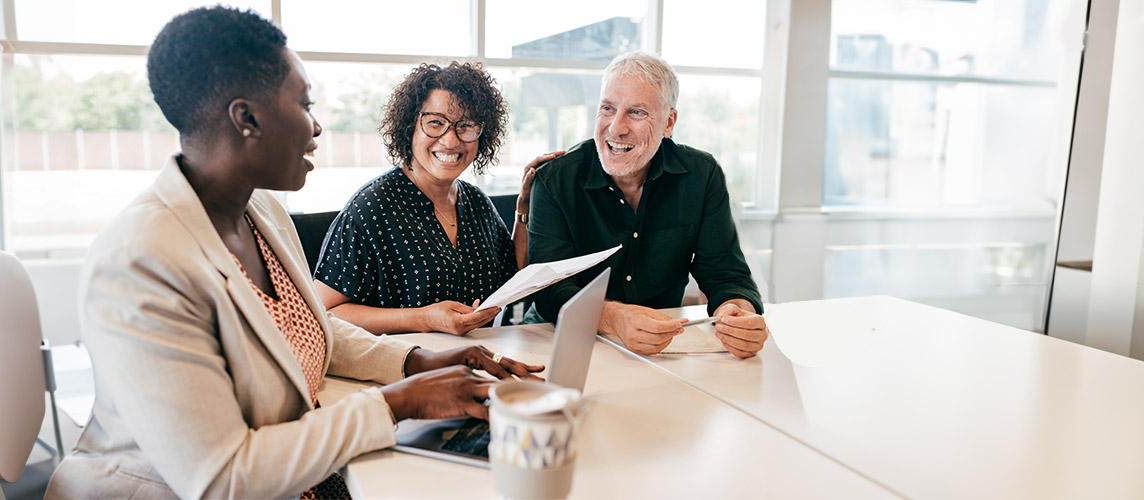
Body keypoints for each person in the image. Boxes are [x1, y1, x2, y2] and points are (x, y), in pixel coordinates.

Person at [43, 8, 542, 500]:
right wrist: (399, 402)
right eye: (304, 105)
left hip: (301, 470)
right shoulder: (140, 262)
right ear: (247, 118)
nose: (318, 126)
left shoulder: (261, 211)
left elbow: (310, 329)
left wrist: (419, 361)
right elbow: (222, 478)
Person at [526, 51, 771, 359]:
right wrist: (615, 318)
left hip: (660, 348)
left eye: (636, 112)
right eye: (607, 108)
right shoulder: (554, 180)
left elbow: (726, 274)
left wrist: (737, 313)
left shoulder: (702, 175)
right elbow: (549, 290)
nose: (616, 127)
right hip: (557, 340)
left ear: (669, 122)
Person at [311, 62, 562, 335]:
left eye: (465, 126)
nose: (451, 141)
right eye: (435, 123)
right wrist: (423, 318)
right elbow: (326, 312)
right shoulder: (372, 207)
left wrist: (524, 208)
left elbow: (515, 275)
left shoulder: (476, 202)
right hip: (403, 367)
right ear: (410, 127)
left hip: (476, 360)